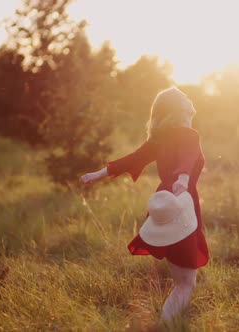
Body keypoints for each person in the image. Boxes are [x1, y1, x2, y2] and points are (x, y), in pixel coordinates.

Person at [79, 87, 209, 323]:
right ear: (178, 108)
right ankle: (165, 326)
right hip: (179, 205)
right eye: (184, 98)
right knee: (186, 284)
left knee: (181, 282)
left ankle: (167, 324)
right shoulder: (190, 135)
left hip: (163, 204)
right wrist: (182, 177)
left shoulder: (160, 139)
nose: (190, 99)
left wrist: (96, 174)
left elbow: (131, 160)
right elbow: (187, 157)